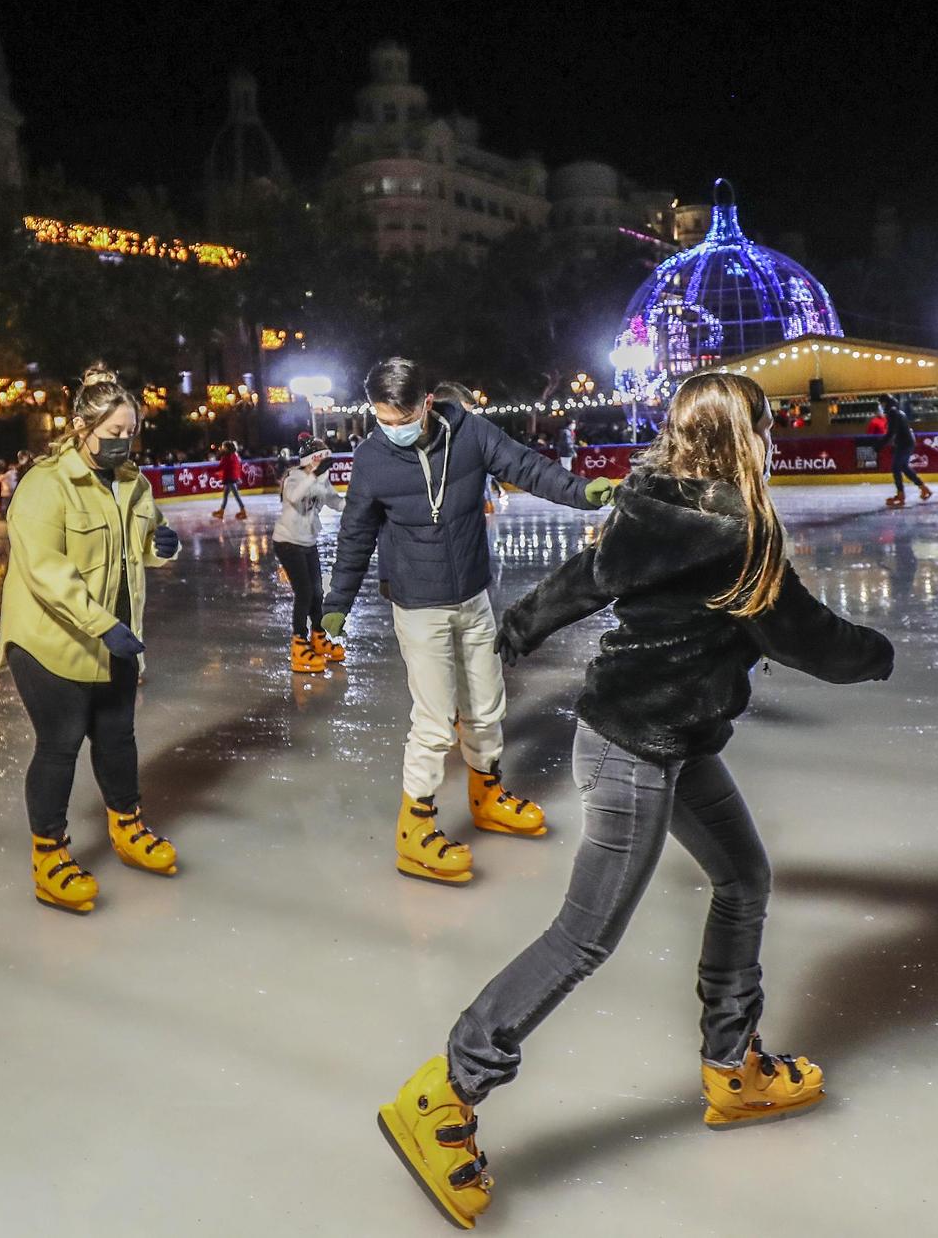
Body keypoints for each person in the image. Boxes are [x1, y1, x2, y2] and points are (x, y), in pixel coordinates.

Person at [376, 371, 894, 1227]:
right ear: (746, 434)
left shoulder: (651, 501)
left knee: (743, 879)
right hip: (632, 752)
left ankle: (733, 1069)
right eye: (765, 425)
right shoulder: (740, 532)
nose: (773, 438)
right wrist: (878, 653)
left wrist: (514, 630)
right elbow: (809, 642)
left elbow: (585, 579)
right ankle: (444, 1092)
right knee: (584, 938)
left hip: (670, 737)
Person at [319, 356, 620, 885]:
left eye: (402, 417)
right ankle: (415, 828)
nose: (392, 430)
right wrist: (337, 599)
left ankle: (486, 793)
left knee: (485, 702)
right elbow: (355, 533)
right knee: (435, 720)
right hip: (417, 605)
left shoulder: (470, 433)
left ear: (426, 404)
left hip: (472, 595)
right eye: (382, 420)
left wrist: (582, 492)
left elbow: (528, 467)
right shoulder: (371, 459)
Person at [0, 364, 183, 913]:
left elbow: (141, 548)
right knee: (61, 742)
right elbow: (45, 571)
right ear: (81, 425)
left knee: (117, 735)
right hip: (49, 637)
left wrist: (163, 547)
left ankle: (127, 826)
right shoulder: (44, 485)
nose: (122, 444)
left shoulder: (133, 481)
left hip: (116, 636)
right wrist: (105, 626)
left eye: (130, 434)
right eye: (111, 434)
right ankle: (48, 854)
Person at [276, 441, 345, 674]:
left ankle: (318, 636)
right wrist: (314, 474)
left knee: (317, 592)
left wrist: (359, 504)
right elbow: (294, 497)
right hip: (287, 542)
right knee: (304, 593)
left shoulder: (321, 479)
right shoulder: (294, 478)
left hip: (308, 542)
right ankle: (298, 644)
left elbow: (335, 502)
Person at [877, 394, 931, 507]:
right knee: (903, 467)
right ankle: (923, 488)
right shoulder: (897, 412)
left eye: (881, 404)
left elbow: (891, 432)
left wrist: (879, 445)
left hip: (904, 443)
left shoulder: (893, 413)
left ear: (885, 403)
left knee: (896, 467)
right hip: (906, 442)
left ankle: (901, 494)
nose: (881, 406)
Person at [212, 441, 247, 520]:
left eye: (223, 447)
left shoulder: (227, 457)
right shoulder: (235, 455)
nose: (222, 448)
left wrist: (209, 470)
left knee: (236, 495)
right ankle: (221, 511)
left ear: (227, 448)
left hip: (230, 478)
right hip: (232, 477)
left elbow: (220, 467)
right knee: (225, 496)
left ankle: (243, 511)